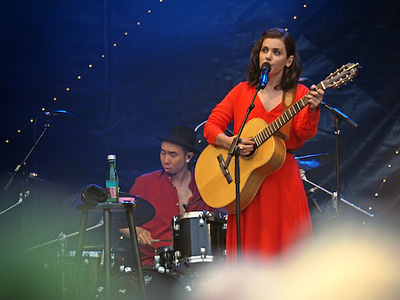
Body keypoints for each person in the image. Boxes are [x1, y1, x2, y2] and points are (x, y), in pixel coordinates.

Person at [203, 28, 325, 263]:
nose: (268, 56)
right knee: (249, 255)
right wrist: (232, 143)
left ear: (289, 60)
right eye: (264, 50)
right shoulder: (242, 92)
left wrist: (312, 108)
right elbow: (211, 126)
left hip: (282, 181)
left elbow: (304, 133)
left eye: (276, 52)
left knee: (288, 254)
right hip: (246, 185)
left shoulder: (298, 93)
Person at [120, 124, 214, 268]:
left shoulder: (205, 185)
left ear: (188, 156)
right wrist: (137, 230)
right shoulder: (145, 183)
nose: (165, 160)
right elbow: (119, 221)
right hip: (155, 265)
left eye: (172, 154)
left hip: (199, 266)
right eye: (163, 153)